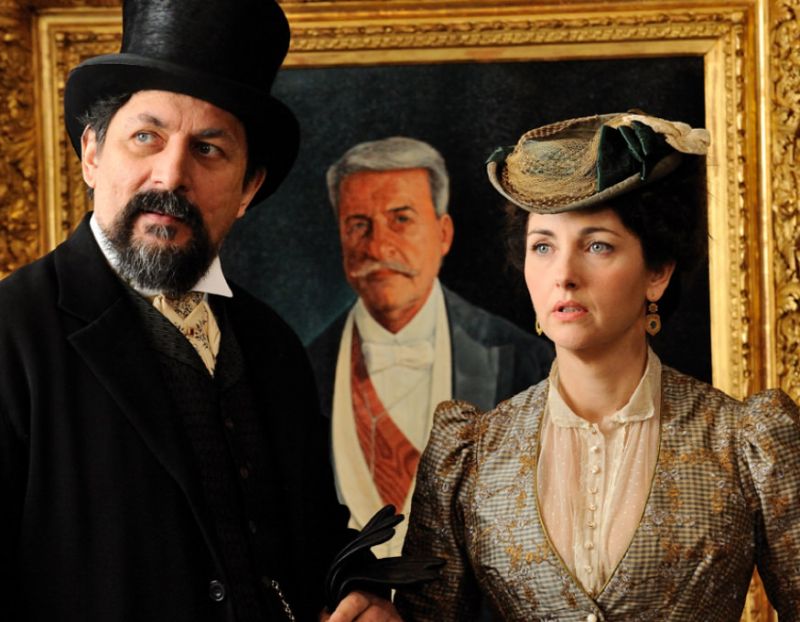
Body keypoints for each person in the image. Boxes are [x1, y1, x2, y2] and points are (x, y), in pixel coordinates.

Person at [0, 1, 401, 620]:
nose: (172, 175)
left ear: (248, 189)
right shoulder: (11, 333)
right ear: (92, 153)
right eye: (146, 137)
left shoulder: (271, 343)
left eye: (209, 149)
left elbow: (314, 535)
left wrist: (357, 590)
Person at [395, 113, 800, 620]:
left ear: (657, 272)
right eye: (543, 246)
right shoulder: (471, 454)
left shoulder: (743, 441)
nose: (563, 275)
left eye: (597, 246)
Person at [308, 137, 553, 557]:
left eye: (401, 219)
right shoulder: (299, 370)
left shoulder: (526, 360)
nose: (378, 247)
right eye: (358, 225)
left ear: (443, 234)